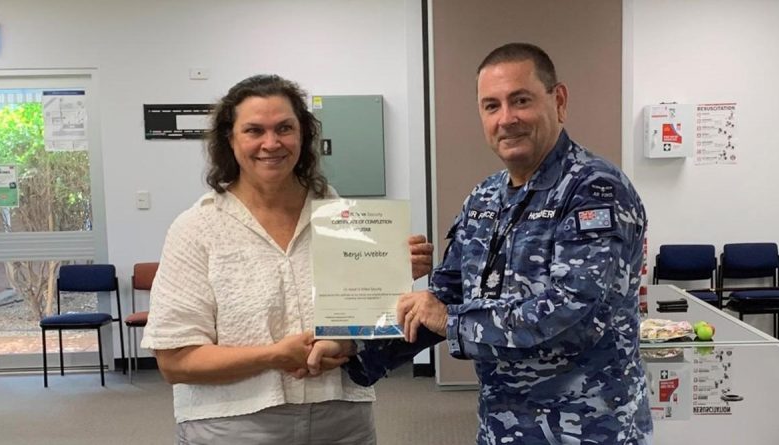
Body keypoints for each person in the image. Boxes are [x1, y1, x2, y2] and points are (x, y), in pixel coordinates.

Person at [313, 42, 653, 444]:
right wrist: (357, 350)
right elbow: (446, 293)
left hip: (590, 428)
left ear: (558, 101)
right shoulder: (485, 197)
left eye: (520, 100)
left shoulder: (594, 190)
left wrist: (452, 320)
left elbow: (574, 316)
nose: (506, 119)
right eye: (491, 106)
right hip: (503, 426)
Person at [140, 74, 433, 445]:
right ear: (230, 139)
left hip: (341, 419)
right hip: (231, 426)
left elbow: (364, 323)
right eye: (254, 131)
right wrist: (272, 356)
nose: (271, 143)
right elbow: (174, 361)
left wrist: (393, 274)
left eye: (284, 128)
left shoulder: (342, 218)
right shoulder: (197, 229)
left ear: (304, 135)